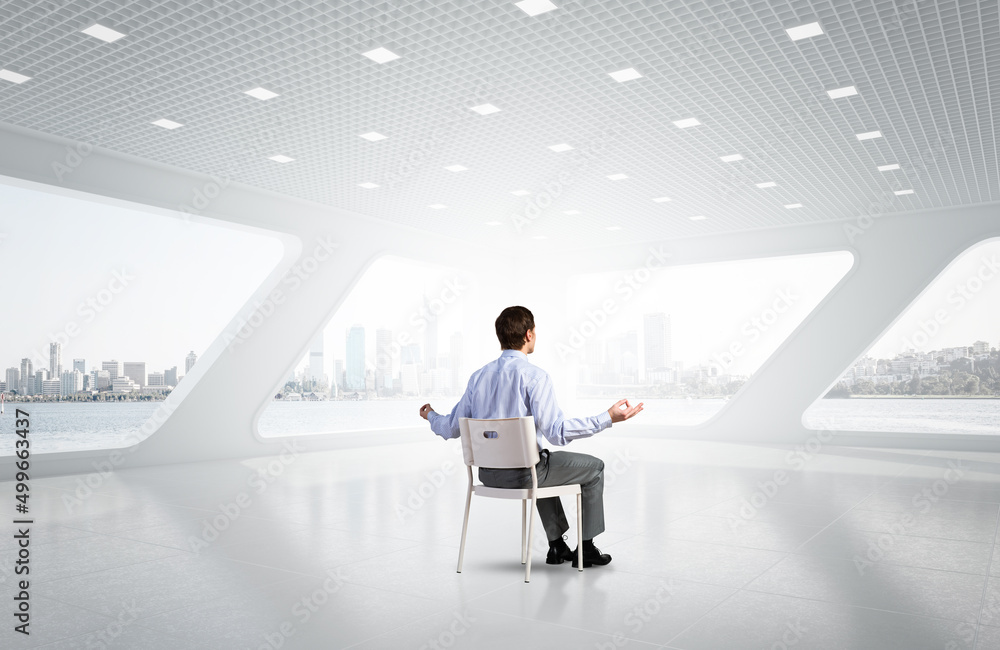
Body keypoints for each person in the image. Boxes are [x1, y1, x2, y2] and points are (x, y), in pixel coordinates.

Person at [419, 305, 643, 568]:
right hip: (524, 475)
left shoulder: (477, 378)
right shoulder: (535, 377)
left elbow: (450, 428)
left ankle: (557, 547)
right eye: (534, 331)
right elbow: (557, 432)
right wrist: (607, 418)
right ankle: (586, 548)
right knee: (592, 468)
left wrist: (431, 415)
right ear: (528, 334)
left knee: (542, 462)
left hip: (486, 475)